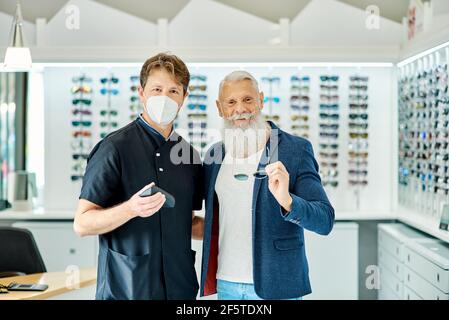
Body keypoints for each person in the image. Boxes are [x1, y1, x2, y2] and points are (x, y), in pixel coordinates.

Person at [73, 53, 204, 300]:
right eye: (157, 89)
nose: (165, 98)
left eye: (174, 91)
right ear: (141, 92)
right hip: (127, 289)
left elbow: (190, 223)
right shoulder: (114, 148)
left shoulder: (189, 156)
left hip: (180, 288)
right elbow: (82, 224)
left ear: (184, 98)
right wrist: (131, 209)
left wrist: (239, 225)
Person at [200, 71, 335, 300]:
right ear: (220, 108)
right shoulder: (215, 155)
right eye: (231, 102)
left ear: (261, 100)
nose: (239, 109)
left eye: (247, 99)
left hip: (277, 287)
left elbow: (325, 220)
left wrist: (288, 201)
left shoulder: (295, 150)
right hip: (227, 284)